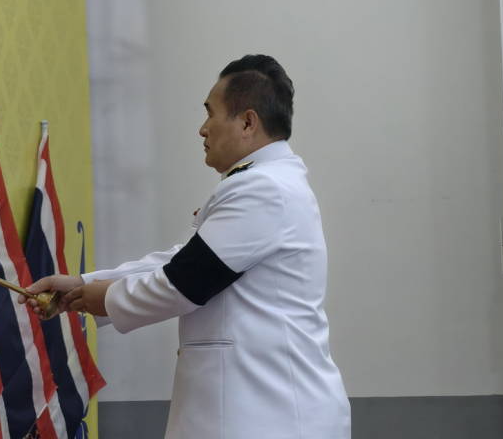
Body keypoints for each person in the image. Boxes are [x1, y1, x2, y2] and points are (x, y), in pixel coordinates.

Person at [23, 55, 350, 439]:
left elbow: (184, 282)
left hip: (269, 413)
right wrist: (84, 284)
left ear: (248, 123)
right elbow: (185, 261)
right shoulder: (265, 182)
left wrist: (101, 297)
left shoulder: (265, 189)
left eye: (211, 113)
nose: (202, 129)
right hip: (256, 408)